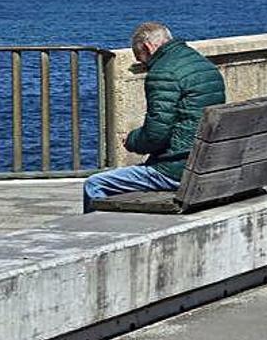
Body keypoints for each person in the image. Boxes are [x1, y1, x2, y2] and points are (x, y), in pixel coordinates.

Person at [83, 22, 226, 213]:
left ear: (148, 47)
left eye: (141, 60)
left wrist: (132, 140)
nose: (145, 66)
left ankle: (100, 237)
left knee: (94, 184)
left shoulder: (162, 72)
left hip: (178, 171)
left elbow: (157, 134)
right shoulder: (203, 65)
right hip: (209, 164)